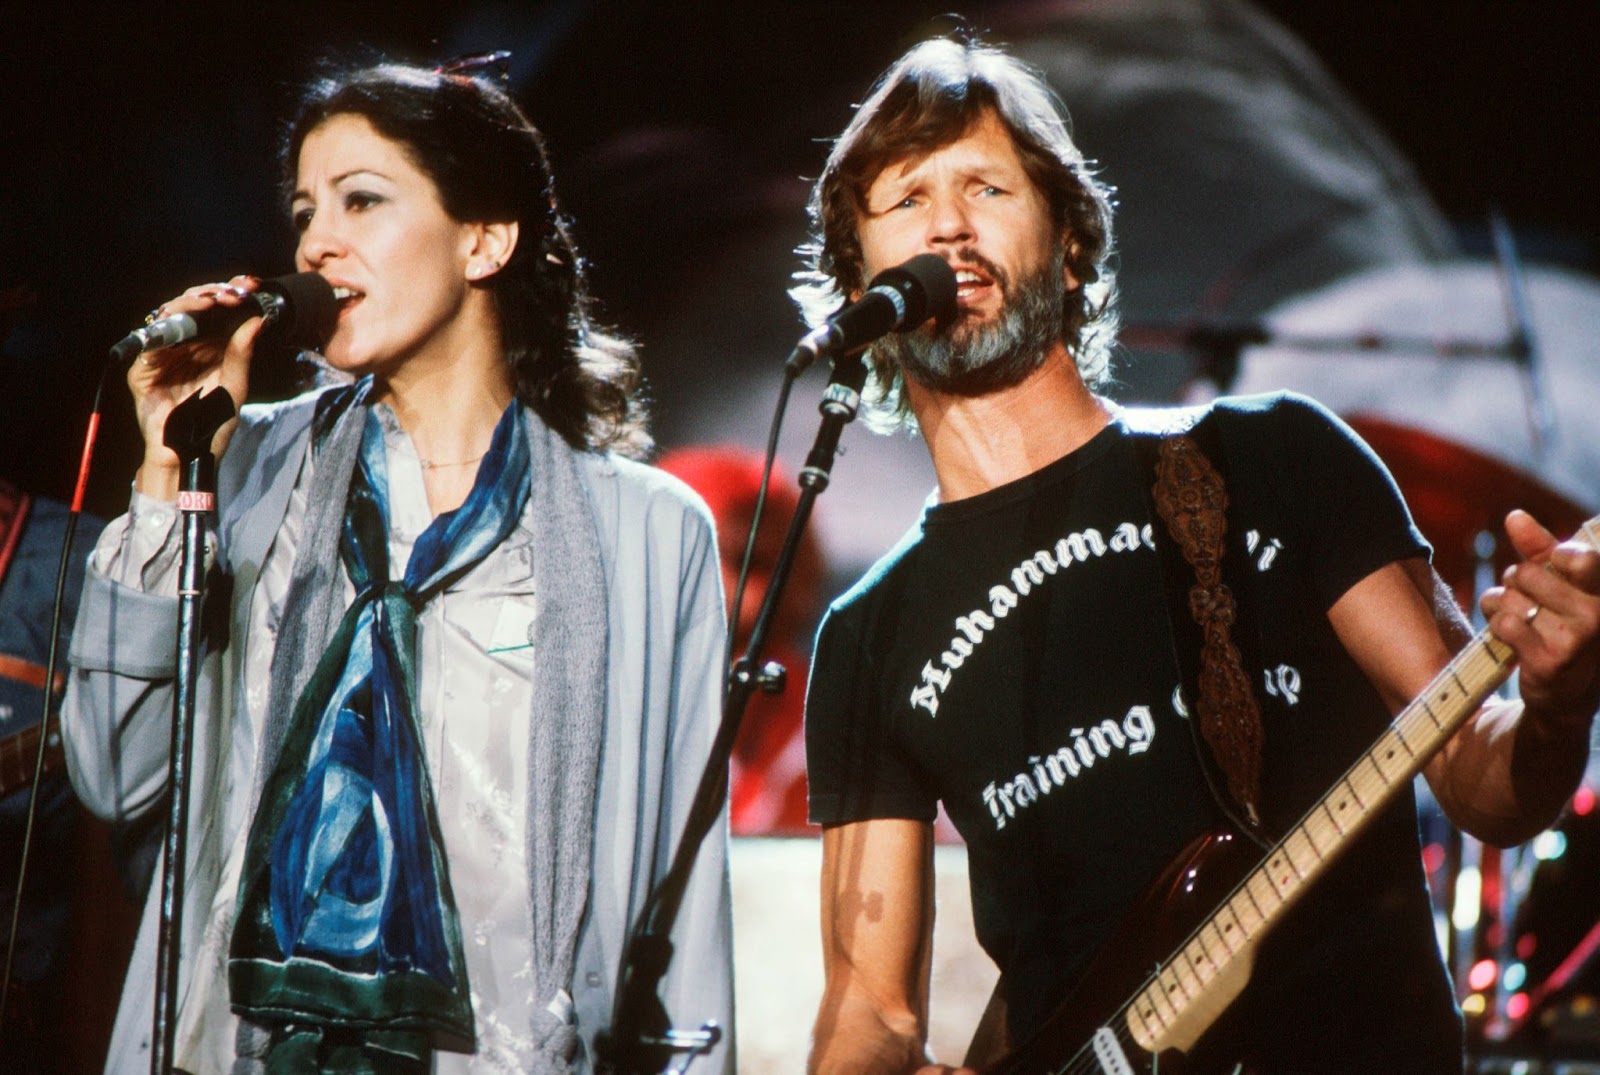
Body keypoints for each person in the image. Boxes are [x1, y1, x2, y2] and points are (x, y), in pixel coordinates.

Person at [797, 37, 1600, 1075]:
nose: (946, 222)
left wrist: (1557, 703)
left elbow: (1483, 782)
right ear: (858, 277)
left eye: (985, 185)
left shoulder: (1270, 455)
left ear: (1071, 244)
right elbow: (870, 1012)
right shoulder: (870, 634)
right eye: (905, 198)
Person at [61, 57, 733, 1075]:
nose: (315, 241)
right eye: (303, 210)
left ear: (485, 237)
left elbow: (683, 892)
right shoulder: (238, 468)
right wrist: (166, 470)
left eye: (361, 200)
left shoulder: (643, 532)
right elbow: (117, 775)